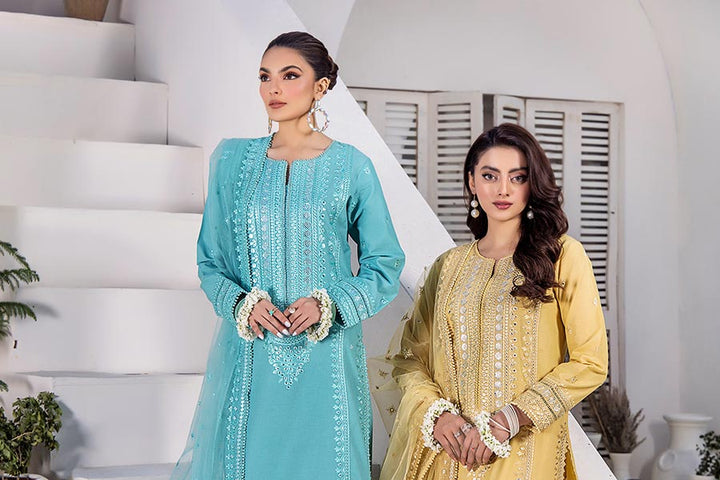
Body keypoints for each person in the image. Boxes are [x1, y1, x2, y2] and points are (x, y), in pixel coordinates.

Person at [171, 31, 405, 480]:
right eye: (265, 77)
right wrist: (242, 304)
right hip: (252, 352)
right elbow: (210, 262)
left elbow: (385, 265)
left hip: (326, 354)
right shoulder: (233, 162)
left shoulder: (351, 167)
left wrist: (329, 304)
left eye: (289, 75)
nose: (273, 88)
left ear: (321, 86)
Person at [380, 123, 608, 480]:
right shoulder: (448, 266)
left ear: (533, 184)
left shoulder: (561, 256)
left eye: (517, 177)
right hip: (450, 452)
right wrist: (438, 415)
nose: (503, 189)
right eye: (490, 176)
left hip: (523, 451)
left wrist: (509, 419)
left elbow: (590, 362)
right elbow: (409, 358)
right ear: (472, 181)